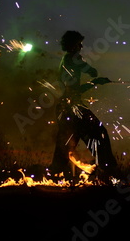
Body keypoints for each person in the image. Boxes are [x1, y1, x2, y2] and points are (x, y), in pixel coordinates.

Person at [50, 31, 117, 179]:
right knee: (99, 135)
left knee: (66, 143)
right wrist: (95, 81)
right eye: (79, 43)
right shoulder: (73, 59)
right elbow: (89, 75)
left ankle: (54, 174)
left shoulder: (66, 60)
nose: (81, 46)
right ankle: (110, 173)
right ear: (73, 45)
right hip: (72, 107)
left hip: (67, 107)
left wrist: (94, 79)